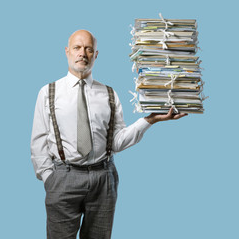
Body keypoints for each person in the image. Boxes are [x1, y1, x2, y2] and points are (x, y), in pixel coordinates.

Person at [31, 29, 187, 239]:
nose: (82, 54)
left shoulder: (109, 93)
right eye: (77, 48)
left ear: (96, 55)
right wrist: (49, 178)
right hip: (63, 178)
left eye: (88, 49)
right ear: (67, 51)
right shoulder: (48, 92)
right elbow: (38, 140)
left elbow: (116, 142)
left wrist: (149, 120)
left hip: (103, 179)